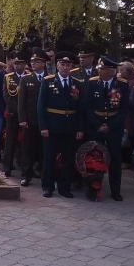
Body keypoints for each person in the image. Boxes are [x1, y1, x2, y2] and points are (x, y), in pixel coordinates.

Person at [38, 52, 84, 198]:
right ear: (57, 65)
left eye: (68, 65)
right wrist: (43, 126)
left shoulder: (76, 83)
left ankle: (64, 187)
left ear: (72, 66)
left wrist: (80, 128)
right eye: (62, 64)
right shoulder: (48, 81)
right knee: (49, 158)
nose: (65, 67)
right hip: (52, 126)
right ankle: (48, 186)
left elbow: (81, 108)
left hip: (70, 126)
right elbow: (41, 106)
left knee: (68, 159)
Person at [83, 57, 130, 202]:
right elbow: (88, 107)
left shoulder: (122, 85)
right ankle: (93, 188)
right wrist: (98, 125)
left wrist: (110, 125)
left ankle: (115, 190)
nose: (99, 70)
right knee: (94, 156)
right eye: (99, 68)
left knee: (115, 158)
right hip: (96, 125)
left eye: (102, 68)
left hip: (113, 126)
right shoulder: (92, 83)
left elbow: (124, 109)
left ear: (111, 70)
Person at [18, 50, 48, 186]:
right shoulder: (26, 79)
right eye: (32, 61)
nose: (33, 63)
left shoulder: (50, 78)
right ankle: (26, 175)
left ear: (43, 63)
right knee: (27, 149)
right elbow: (21, 101)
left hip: (46, 121)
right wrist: (22, 119)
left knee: (44, 149)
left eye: (36, 61)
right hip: (30, 120)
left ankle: (44, 174)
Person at [2, 53, 29, 177]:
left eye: (19, 64)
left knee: (26, 143)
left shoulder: (29, 77)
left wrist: (23, 112)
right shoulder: (8, 77)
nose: (17, 66)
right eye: (16, 63)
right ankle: (7, 167)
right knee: (10, 141)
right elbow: (6, 96)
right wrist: (18, 110)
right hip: (13, 113)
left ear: (24, 65)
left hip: (26, 115)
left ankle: (25, 169)